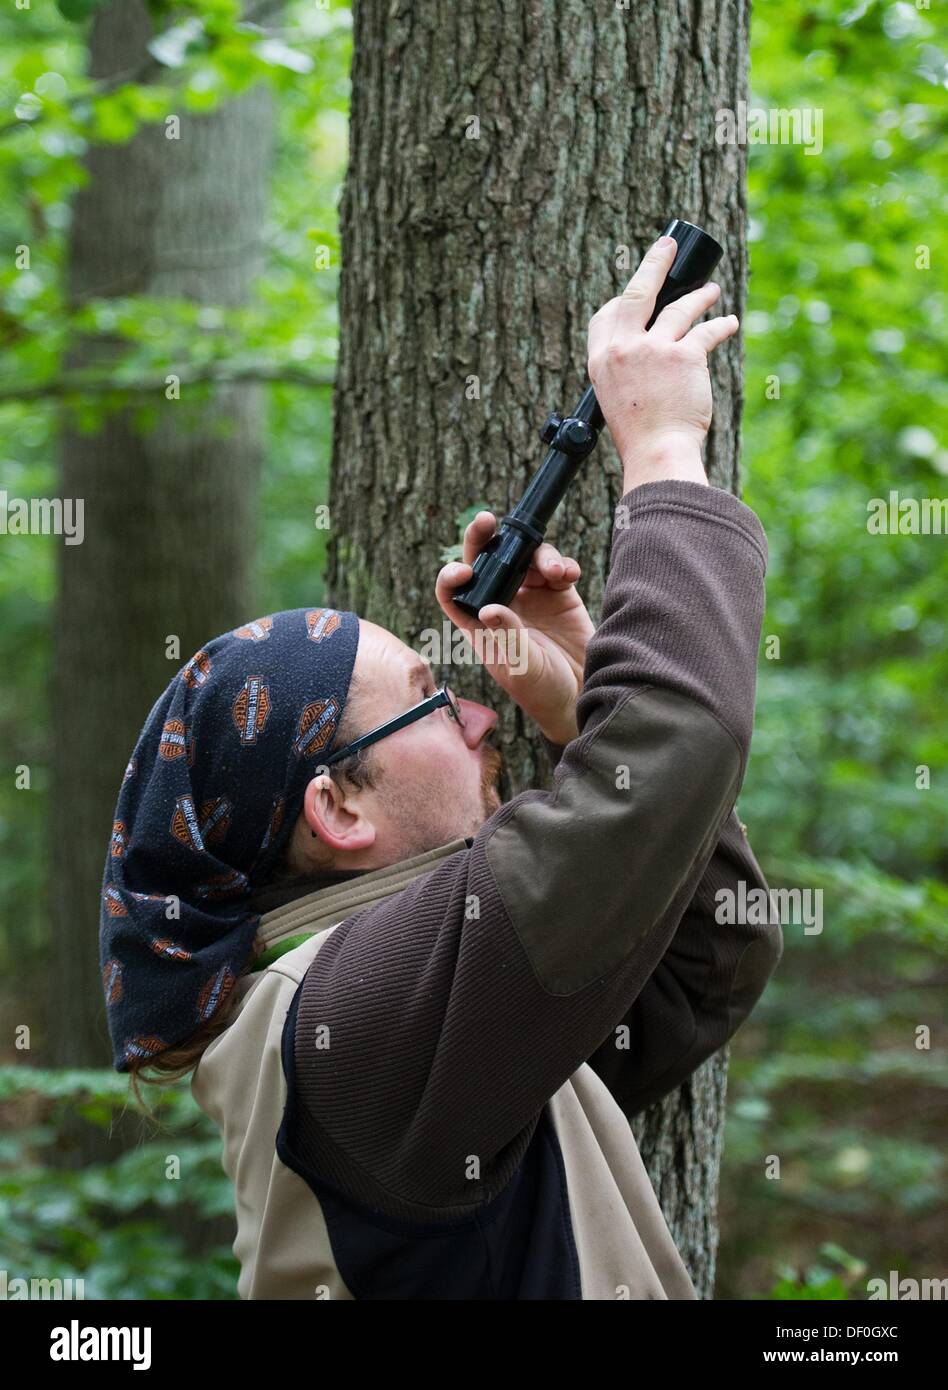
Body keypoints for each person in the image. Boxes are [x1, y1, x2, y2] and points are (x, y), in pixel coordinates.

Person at [99, 235, 782, 1299]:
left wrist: (581, 697)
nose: (475, 717)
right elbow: (676, 756)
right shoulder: (355, 1018)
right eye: (427, 699)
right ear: (337, 808)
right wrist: (661, 453)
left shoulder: (406, 1017)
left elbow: (703, 965)